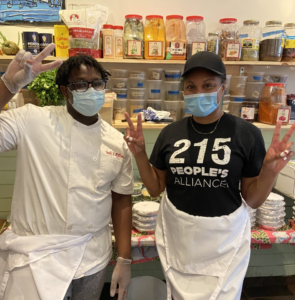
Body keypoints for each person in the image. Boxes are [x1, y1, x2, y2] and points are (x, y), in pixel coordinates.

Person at [124, 51, 295, 300]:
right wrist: (139, 154)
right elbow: (155, 188)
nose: (198, 92)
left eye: (208, 85)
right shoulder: (170, 134)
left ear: (223, 88)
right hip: (179, 238)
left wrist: (269, 170)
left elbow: (253, 199)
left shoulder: (246, 134)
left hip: (225, 241)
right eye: (191, 87)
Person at [0, 44, 133, 300]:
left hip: (91, 257)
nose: (91, 90)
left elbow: (122, 199)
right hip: (35, 259)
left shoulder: (116, 142)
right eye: (80, 85)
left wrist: (124, 259)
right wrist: (7, 85)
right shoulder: (32, 120)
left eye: (97, 83)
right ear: (65, 91)